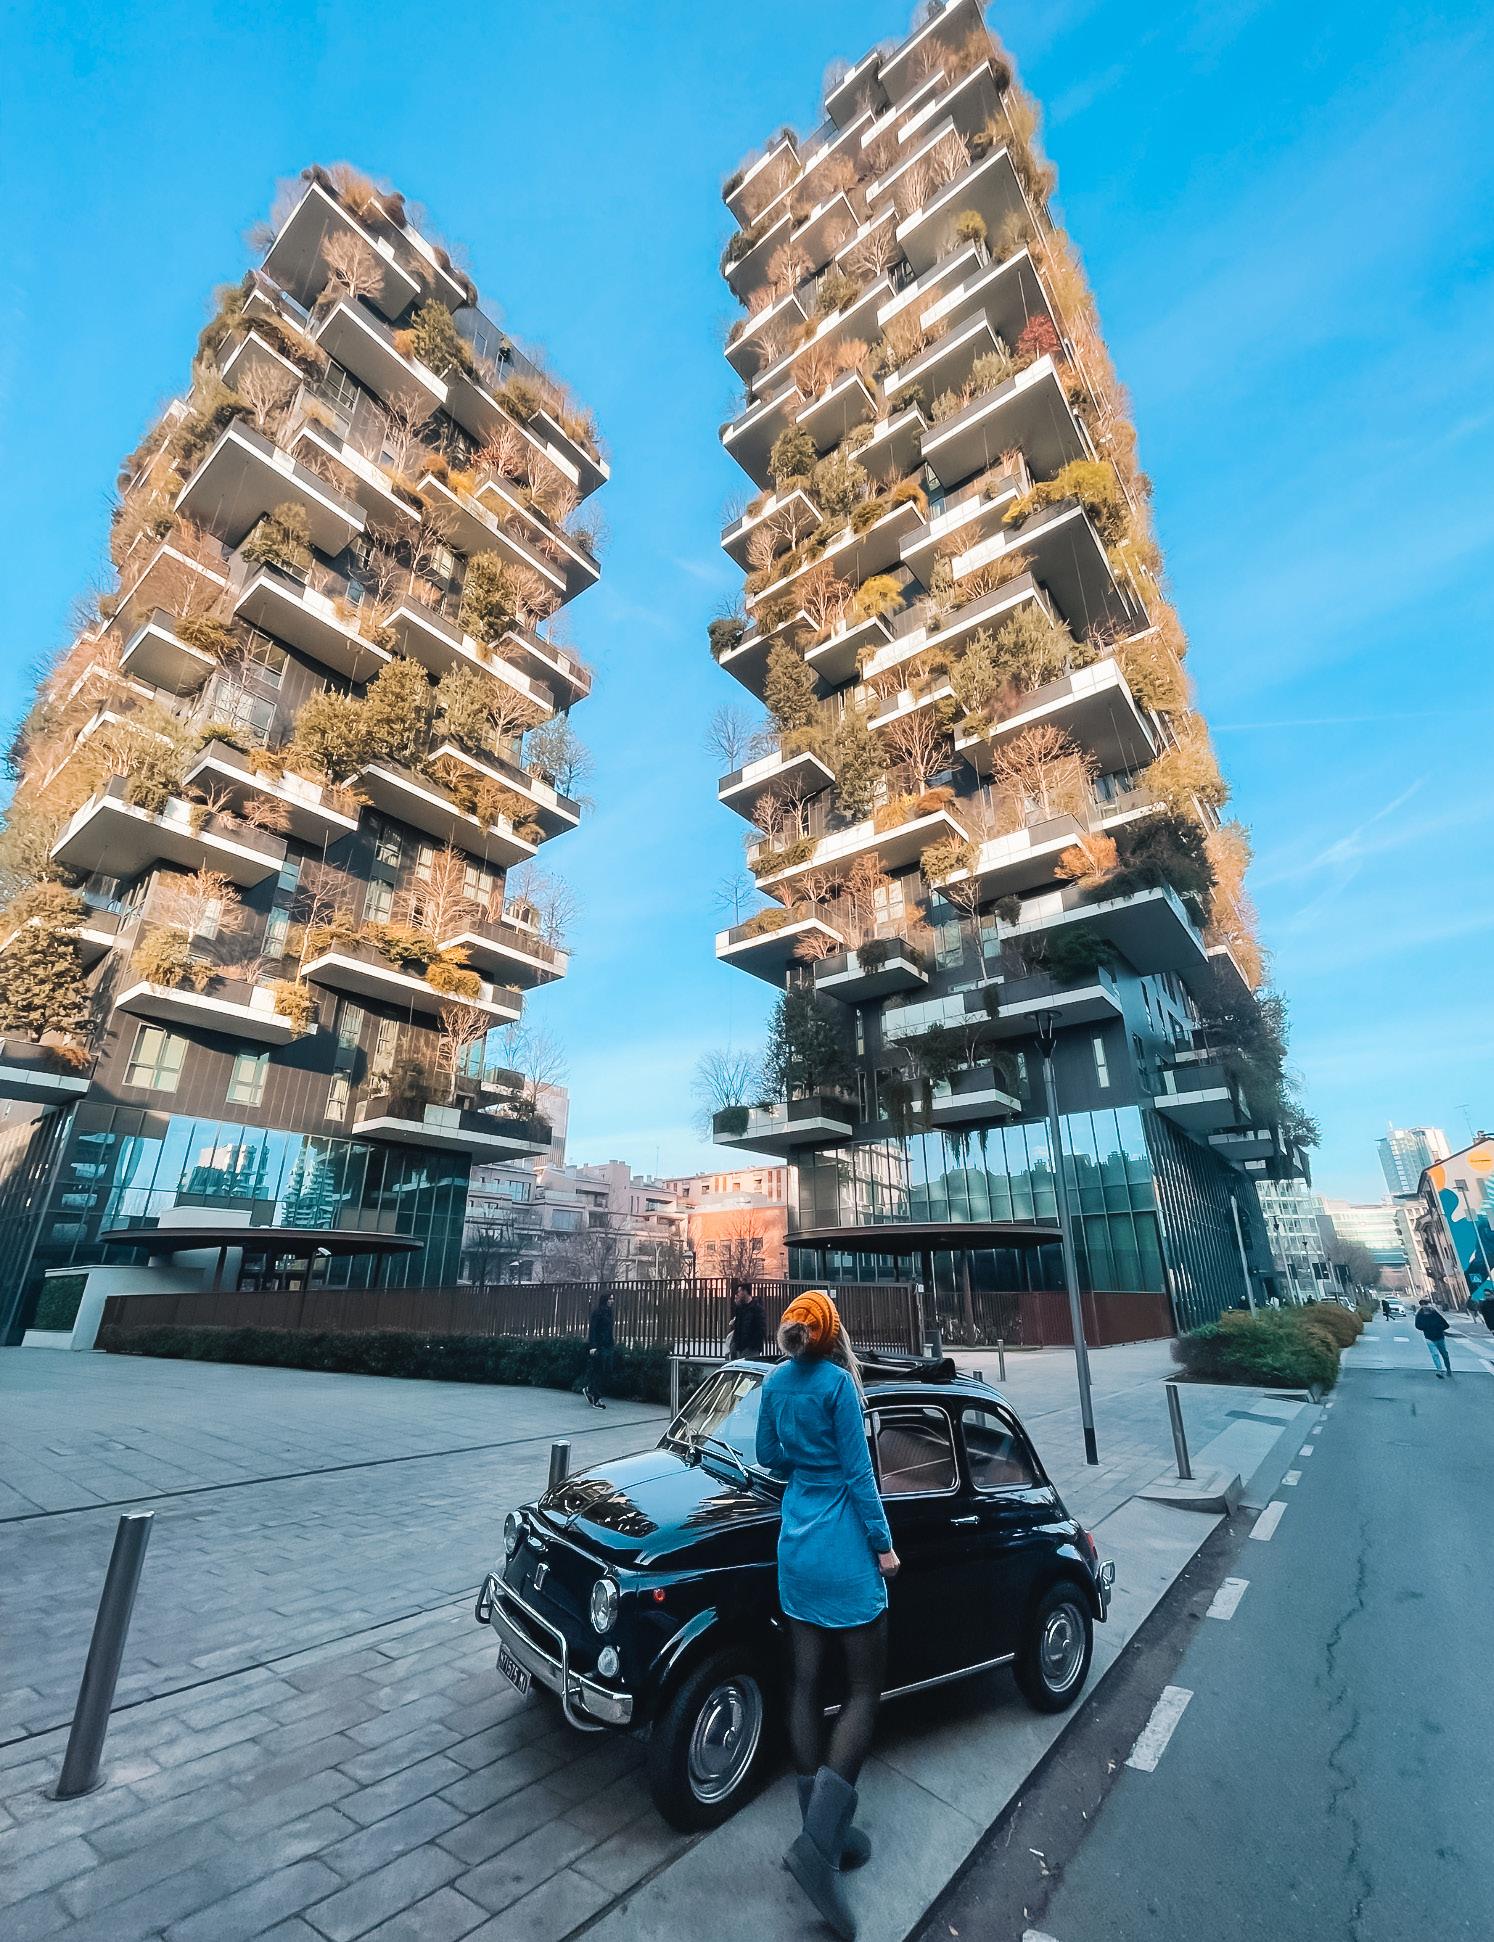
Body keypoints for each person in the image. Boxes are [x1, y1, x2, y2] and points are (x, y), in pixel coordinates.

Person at [755, 1290, 898, 1942]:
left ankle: (823, 1831)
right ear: (832, 1333)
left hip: (796, 1551)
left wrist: (803, 1460)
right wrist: (884, 1546)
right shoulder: (840, 1386)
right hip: (843, 1554)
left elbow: (768, 1455)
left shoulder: (774, 1384)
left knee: (806, 1686)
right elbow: (861, 1476)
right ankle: (817, 1851)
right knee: (864, 1691)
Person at [583, 1289, 614, 1407]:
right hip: (599, 1346)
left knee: (607, 1370)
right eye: (610, 1299)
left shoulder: (609, 1312)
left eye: (612, 1299)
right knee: (599, 1371)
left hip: (608, 1345)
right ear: (605, 1299)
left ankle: (590, 1389)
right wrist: (593, 1346)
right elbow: (593, 1330)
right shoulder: (597, 1313)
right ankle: (596, 1399)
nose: (612, 1301)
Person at [1414, 1295, 1453, 1378]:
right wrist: (1426, 1328)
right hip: (1429, 1337)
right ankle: (1440, 1370)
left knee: (1444, 1354)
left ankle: (1448, 1369)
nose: (1424, 1306)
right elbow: (1417, 1325)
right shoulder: (1420, 1315)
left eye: (1425, 1304)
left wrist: (1438, 1328)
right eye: (1422, 1304)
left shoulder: (1435, 1313)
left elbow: (1446, 1325)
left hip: (1439, 1337)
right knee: (1435, 1354)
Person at [727, 1282, 766, 1359]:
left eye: (739, 1291)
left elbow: (761, 1329)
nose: (737, 1294)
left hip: (750, 1349)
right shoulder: (740, 1308)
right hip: (739, 1347)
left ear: (745, 1292)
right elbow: (738, 1329)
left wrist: (752, 1346)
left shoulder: (756, 1309)